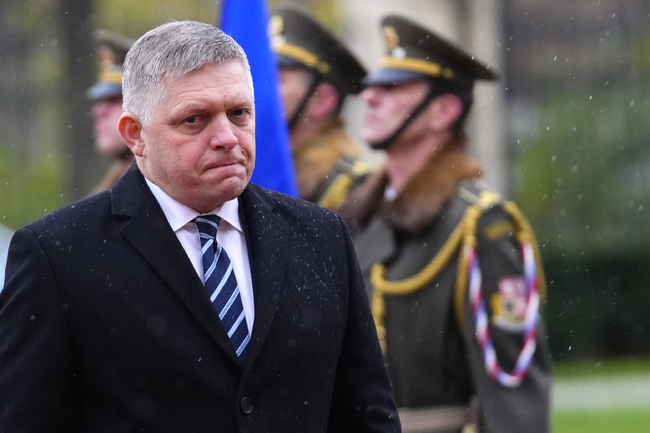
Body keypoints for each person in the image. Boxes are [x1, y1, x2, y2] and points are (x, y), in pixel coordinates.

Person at [0, 21, 400, 433]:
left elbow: (366, 413)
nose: (227, 137)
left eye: (239, 113)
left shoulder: (321, 235)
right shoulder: (58, 255)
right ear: (135, 135)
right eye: (194, 119)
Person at [338, 15, 552, 433]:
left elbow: (514, 396)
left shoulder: (482, 227)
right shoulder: (360, 216)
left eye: (392, 87)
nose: (370, 96)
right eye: (374, 85)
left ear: (444, 110)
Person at [270, 3, 371, 209]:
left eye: (276, 80)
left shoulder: (352, 190)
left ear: (322, 101)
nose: (258, 87)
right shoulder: (259, 168)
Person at [87, 30, 135, 194]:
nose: (98, 111)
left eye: (114, 99)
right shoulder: (122, 182)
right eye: (101, 101)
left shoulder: (157, 188)